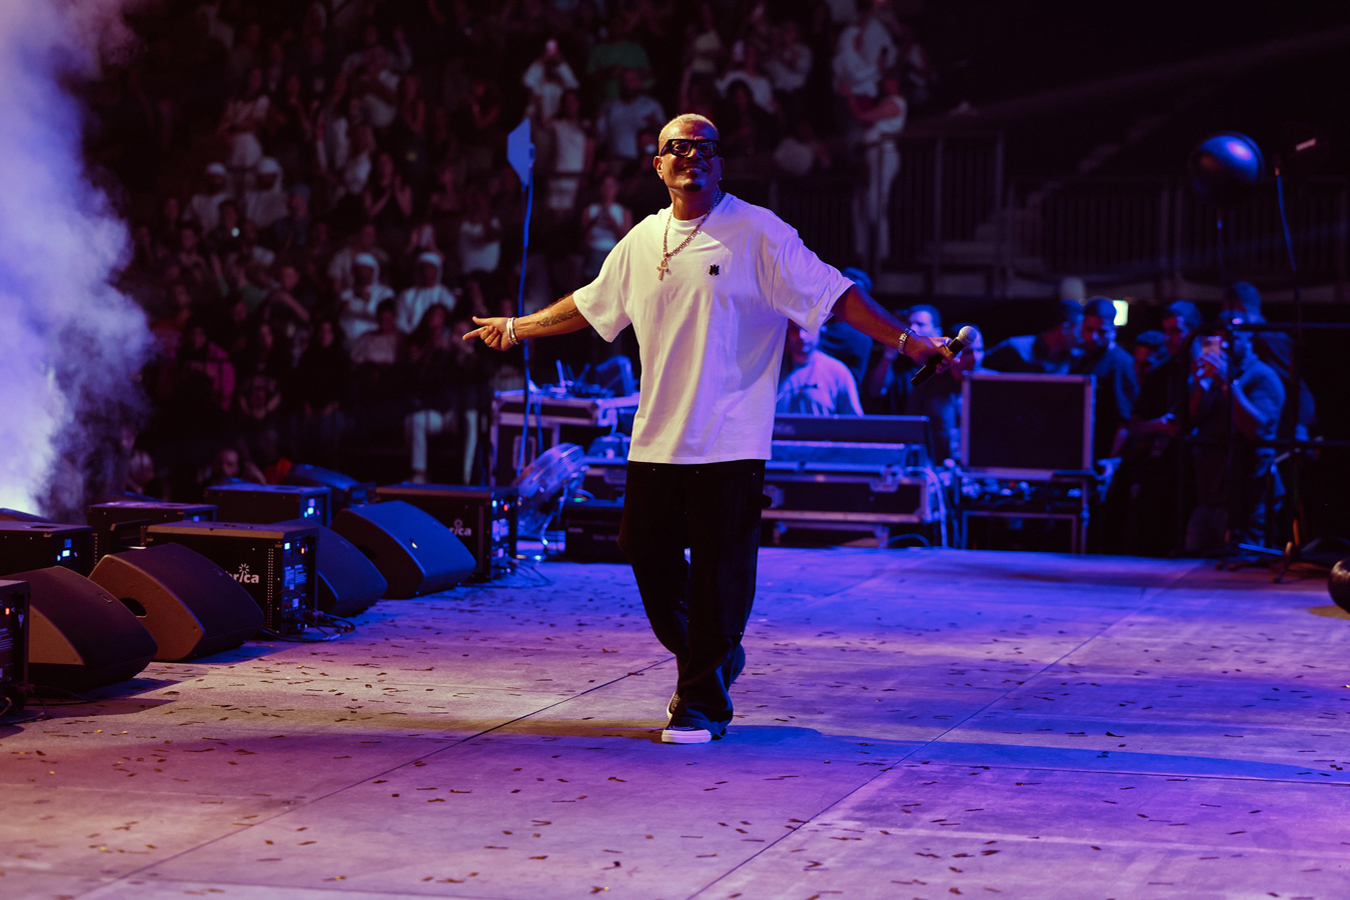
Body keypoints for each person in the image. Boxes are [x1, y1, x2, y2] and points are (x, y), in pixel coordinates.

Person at [464, 114, 952, 744]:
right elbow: (590, 303)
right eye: (678, 147)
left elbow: (838, 295)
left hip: (730, 438)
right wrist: (517, 327)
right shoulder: (642, 240)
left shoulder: (758, 232)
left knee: (722, 574)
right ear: (658, 164)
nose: (691, 156)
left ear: (720, 164)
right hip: (657, 437)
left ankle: (701, 703)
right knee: (644, 551)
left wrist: (910, 342)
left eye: (705, 148)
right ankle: (715, 655)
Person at [905, 324, 984, 463]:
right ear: (953, 352)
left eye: (980, 350)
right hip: (938, 466)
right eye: (968, 352)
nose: (976, 358)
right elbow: (911, 428)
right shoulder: (929, 384)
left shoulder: (992, 383)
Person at [1071, 297, 1137, 460]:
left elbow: (1124, 421)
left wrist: (1111, 463)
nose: (1093, 337)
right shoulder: (1083, 358)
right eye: (1088, 329)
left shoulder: (1119, 363)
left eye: (1101, 332)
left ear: (1113, 330)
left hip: (1100, 454)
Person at [777, 323, 862, 416]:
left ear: (821, 329)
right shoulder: (774, 368)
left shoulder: (838, 371)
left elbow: (854, 420)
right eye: (794, 329)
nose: (801, 335)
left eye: (807, 328)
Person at [983, 300, 1083, 374]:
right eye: (1080, 331)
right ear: (1065, 328)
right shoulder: (1014, 348)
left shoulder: (1073, 359)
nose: (1082, 338)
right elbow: (979, 370)